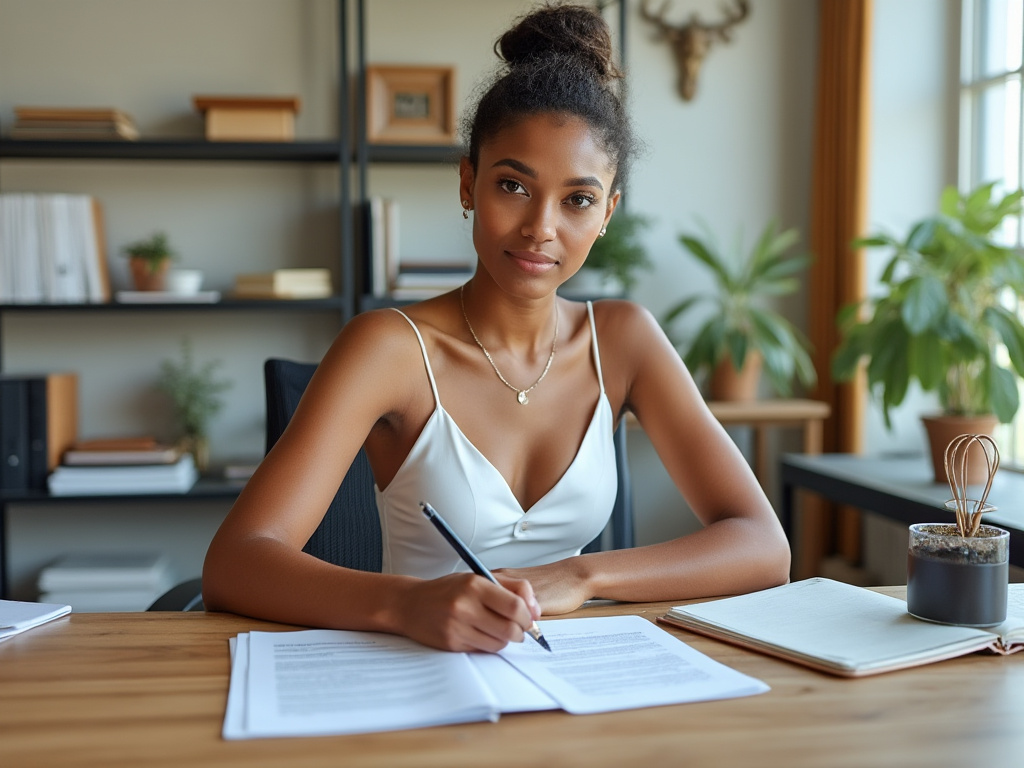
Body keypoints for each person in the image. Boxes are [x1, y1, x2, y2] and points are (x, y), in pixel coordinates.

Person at [202, 2, 790, 653]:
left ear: (607, 214)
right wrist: (408, 604)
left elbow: (763, 545)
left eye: (578, 199)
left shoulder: (624, 340)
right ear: (467, 182)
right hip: (414, 670)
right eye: (513, 186)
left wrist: (581, 574)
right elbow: (237, 561)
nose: (541, 227)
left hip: (570, 675)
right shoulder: (390, 349)